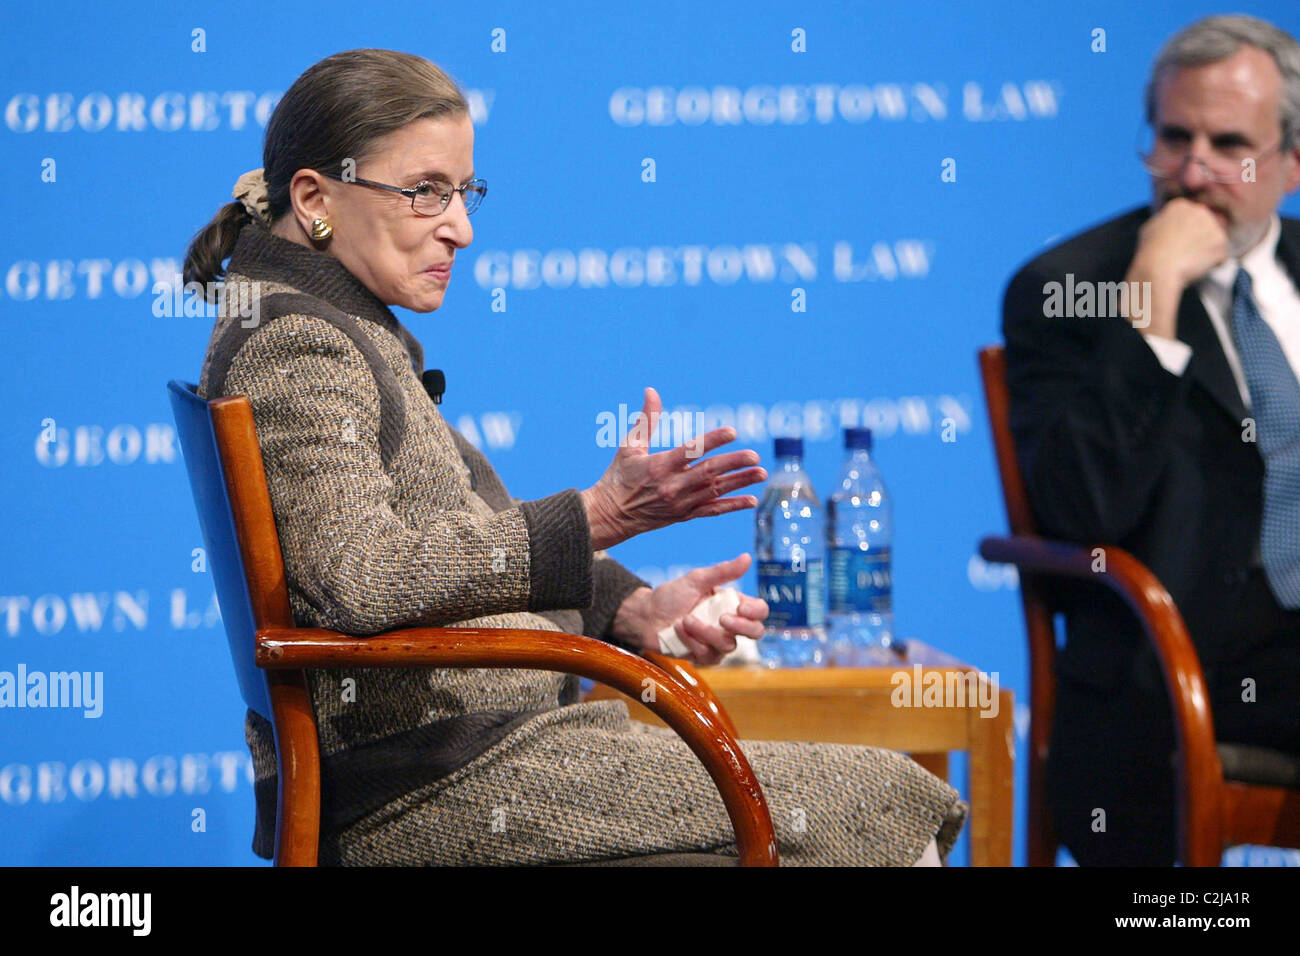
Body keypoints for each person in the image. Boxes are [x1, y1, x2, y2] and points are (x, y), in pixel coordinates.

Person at [185, 48, 966, 866]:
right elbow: (360, 573)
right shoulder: (302, 346)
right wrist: (596, 517)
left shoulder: (333, 326)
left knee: (874, 798)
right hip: (441, 785)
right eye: (425, 192)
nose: (462, 228)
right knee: (883, 803)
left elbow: (449, 541)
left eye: (464, 192)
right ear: (315, 198)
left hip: (497, 753)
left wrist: (633, 610)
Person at [1002, 14, 1300, 866]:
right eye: (1175, 138)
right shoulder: (1067, 291)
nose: (1195, 172)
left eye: (1229, 143)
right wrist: (1153, 291)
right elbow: (1077, 509)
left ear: (1291, 162)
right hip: (1174, 669)